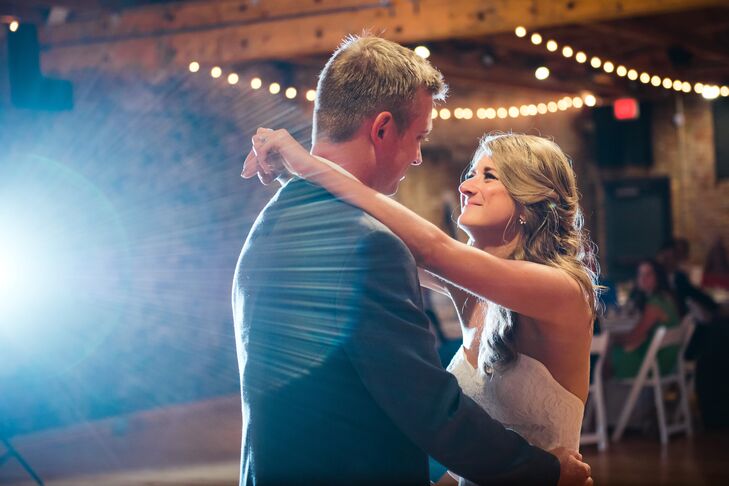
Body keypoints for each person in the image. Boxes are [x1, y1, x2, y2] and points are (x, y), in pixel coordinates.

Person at [234, 35, 593, 486]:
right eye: (469, 173)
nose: (464, 185)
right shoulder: (421, 271)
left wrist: (306, 167)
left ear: (530, 201)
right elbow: (427, 409)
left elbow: (431, 249)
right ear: (382, 129)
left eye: (487, 176)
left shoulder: (561, 289)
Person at [611, 259, 680, 379]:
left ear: (658, 277)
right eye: (640, 274)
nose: (643, 279)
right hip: (667, 360)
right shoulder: (667, 298)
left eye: (648, 274)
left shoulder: (655, 303)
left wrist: (612, 339)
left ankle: (598, 395)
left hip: (656, 363)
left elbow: (635, 335)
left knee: (609, 354)